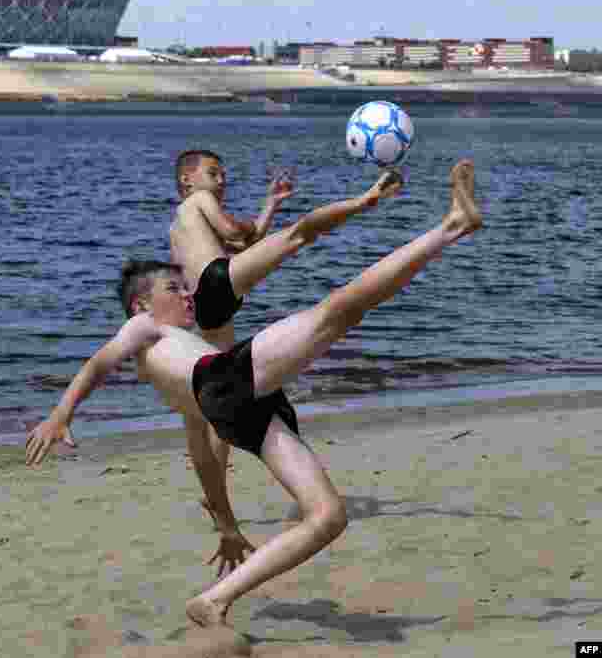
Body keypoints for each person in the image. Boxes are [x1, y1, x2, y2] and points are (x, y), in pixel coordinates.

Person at [26, 159, 482, 628]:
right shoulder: (143, 327)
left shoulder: (177, 356)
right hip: (224, 382)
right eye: (174, 289)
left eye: (186, 288)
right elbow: (100, 362)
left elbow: (203, 453)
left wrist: (226, 525)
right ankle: (451, 226)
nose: (187, 296)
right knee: (337, 309)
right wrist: (61, 414)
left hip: (234, 410)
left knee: (328, 517)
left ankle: (214, 600)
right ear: (142, 304)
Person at [169, 149, 403, 525]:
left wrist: (270, 205)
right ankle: (363, 201)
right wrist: (248, 227)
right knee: (297, 237)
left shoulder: (182, 224)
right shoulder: (199, 201)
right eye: (213, 173)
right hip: (215, 283)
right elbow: (233, 233)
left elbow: (248, 246)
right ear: (187, 181)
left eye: (223, 175)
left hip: (210, 307)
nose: (221, 181)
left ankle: (218, 502)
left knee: (207, 411)